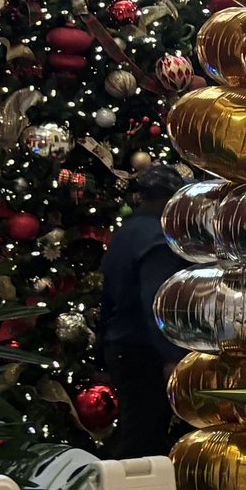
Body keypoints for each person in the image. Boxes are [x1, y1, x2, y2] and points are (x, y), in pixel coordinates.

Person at [98, 164, 185, 458]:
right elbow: (157, 302)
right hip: (143, 350)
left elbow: (108, 296)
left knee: (134, 427)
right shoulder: (157, 238)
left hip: (120, 344)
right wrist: (171, 356)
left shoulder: (126, 233)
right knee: (144, 436)